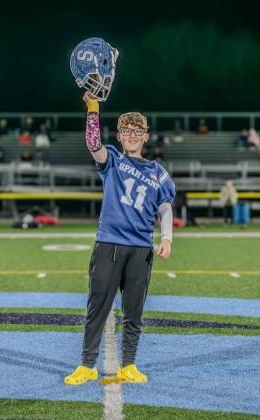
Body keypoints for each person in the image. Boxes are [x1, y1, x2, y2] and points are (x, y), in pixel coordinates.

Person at [64, 91, 175, 386]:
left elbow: (165, 207)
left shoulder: (158, 173)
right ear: (120, 135)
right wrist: (92, 107)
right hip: (109, 244)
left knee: (134, 312)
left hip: (140, 248)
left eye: (138, 131)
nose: (132, 135)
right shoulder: (112, 159)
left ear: (146, 136)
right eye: (127, 131)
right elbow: (93, 144)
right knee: (97, 307)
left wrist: (167, 238)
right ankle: (87, 364)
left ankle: (129, 364)